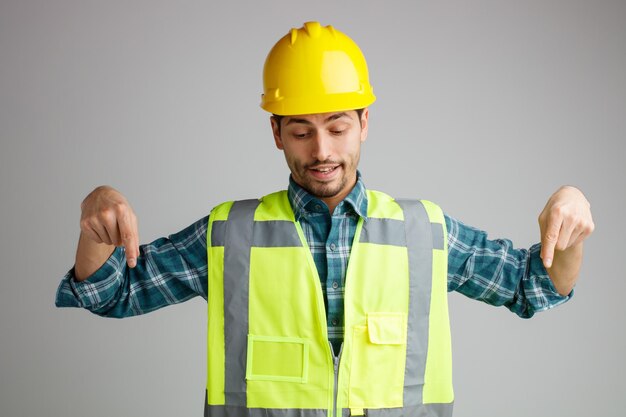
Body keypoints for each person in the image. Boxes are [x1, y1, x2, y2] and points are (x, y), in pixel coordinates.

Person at [55, 22, 594, 417]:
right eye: (301, 131)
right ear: (276, 133)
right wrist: (95, 221)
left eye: (337, 127)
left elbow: (535, 285)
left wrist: (569, 215)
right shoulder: (227, 234)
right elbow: (109, 293)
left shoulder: (425, 232)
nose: (322, 150)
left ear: (364, 123)